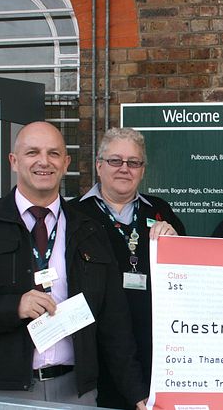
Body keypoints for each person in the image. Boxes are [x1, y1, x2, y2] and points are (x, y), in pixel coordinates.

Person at [0, 122, 147, 409]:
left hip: (75, 391)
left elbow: (114, 321)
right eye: (33, 152)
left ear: (66, 163)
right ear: (14, 161)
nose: (44, 161)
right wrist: (13, 307)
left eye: (54, 153)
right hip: (1, 389)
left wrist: (136, 392)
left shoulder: (89, 230)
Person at [69, 127, 185, 409]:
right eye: (115, 161)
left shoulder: (159, 210)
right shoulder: (74, 215)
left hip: (154, 345)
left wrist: (175, 239)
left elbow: (184, 273)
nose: (125, 169)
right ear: (99, 165)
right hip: (97, 349)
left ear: (142, 170)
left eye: (133, 162)